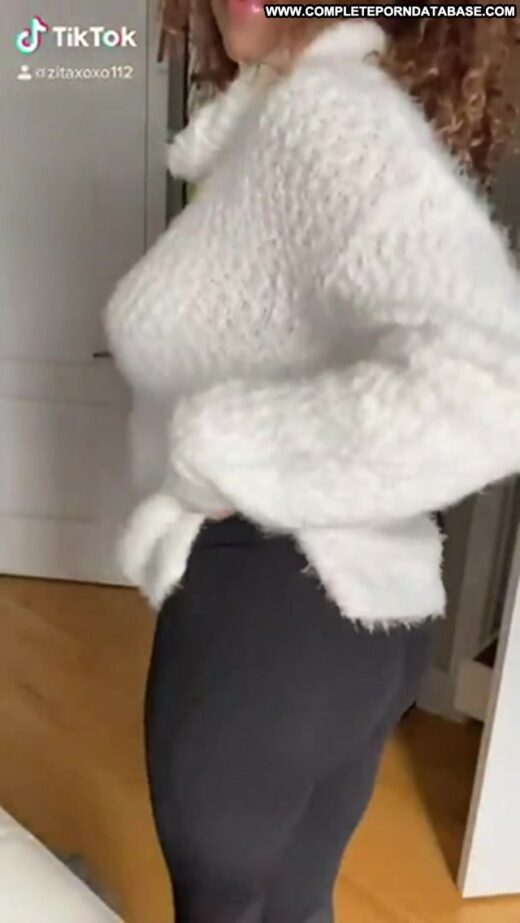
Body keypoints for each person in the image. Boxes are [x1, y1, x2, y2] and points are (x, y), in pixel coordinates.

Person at [104, 7, 520, 922]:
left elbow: (490, 386)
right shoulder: (285, 115)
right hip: (346, 616)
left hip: (271, 618)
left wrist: (225, 446)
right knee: (290, 903)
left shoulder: (329, 115)